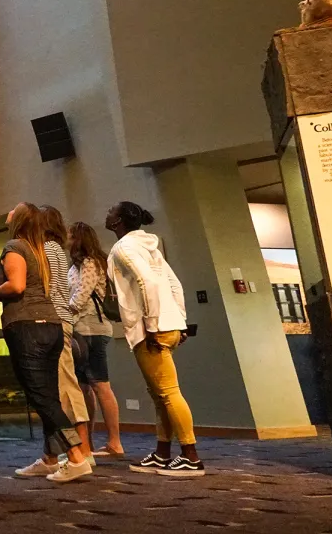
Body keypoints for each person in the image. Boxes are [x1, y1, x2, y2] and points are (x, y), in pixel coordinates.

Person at [0, 203, 89, 483]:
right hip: (52, 324)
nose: (8, 213)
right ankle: (52, 456)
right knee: (48, 395)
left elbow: (17, 286)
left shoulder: (17, 247)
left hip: (28, 325)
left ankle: (76, 454)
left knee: (43, 396)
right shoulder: (43, 249)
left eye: (13, 211)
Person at [105, 201, 205, 477]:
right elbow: (174, 284)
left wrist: (151, 324)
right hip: (169, 325)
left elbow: (146, 282)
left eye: (111, 211)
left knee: (169, 393)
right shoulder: (150, 247)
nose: (107, 212)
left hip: (152, 329)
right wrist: (179, 321)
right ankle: (163, 452)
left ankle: (191, 456)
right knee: (160, 395)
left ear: (118, 222)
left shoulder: (123, 248)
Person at [67, 221, 124, 459]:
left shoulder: (90, 263)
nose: (66, 239)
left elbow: (82, 293)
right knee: (83, 387)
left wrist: (64, 312)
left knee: (100, 385)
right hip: (81, 328)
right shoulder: (77, 265)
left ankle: (115, 442)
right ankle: (86, 442)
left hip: (92, 328)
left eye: (70, 236)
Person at [40, 206, 92, 465]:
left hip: (55, 319)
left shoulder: (47, 250)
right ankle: (58, 453)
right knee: (61, 387)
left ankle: (81, 450)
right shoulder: (59, 251)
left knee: (66, 387)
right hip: (62, 318)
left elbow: (45, 286)